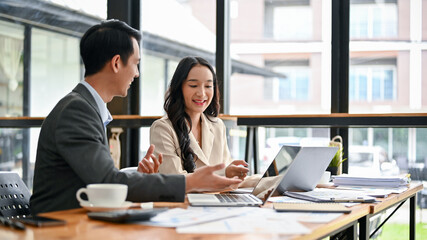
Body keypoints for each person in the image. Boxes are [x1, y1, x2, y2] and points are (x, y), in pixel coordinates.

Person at [30, 20, 242, 215]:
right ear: (116, 63)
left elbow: (102, 178)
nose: (137, 73)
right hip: (59, 227)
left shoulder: (84, 106)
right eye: (135, 63)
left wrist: (139, 176)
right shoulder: (77, 111)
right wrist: (191, 183)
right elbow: (108, 182)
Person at [139, 56, 249, 180]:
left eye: (208, 86)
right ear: (179, 88)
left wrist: (265, 182)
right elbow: (175, 180)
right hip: (185, 199)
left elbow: (231, 177)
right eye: (193, 85)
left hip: (217, 198)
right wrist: (225, 173)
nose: (201, 93)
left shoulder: (217, 125)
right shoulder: (162, 128)